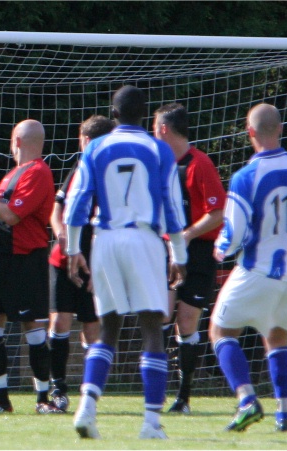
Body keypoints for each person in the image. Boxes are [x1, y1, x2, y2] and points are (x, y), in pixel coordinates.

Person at [64, 85, 187, 440]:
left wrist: (74, 249)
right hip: (144, 239)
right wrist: (179, 253)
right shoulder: (158, 149)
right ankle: (151, 422)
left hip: (106, 239)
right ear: (145, 115)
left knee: (108, 327)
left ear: (113, 114)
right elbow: (172, 206)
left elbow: (77, 202)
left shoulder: (97, 147)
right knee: (152, 326)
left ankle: (87, 407)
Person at [209, 103, 287, 433]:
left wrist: (221, 248)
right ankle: (284, 416)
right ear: (280, 129)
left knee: (220, 330)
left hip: (257, 270)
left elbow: (235, 232)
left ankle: (247, 400)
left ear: (249, 132)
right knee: (277, 337)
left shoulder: (246, 176)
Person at [0, 119, 56, 414]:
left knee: (32, 327)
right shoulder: (13, 174)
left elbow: (11, 216)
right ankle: (0, 399)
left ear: (17, 141)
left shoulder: (38, 173)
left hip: (24, 260)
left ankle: (43, 399)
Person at [152, 103, 226, 415]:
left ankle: (183, 397)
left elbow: (218, 213)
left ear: (164, 130)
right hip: (167, 250)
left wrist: (188, 235)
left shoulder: (199, 164)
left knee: (187, 321)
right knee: (161, 315)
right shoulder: (158, 165)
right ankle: (154, 391)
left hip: (197, 253)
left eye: (154, 128)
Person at [47, 115, 115, 413]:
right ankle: (58, 389)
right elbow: (58, 206)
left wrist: (101, 266)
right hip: (63, 258)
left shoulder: (111, 173)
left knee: (92, 327)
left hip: (96, 261)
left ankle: (90, 392)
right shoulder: (80, 166)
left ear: (89, 141)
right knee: (60, 320)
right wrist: (60, 230)